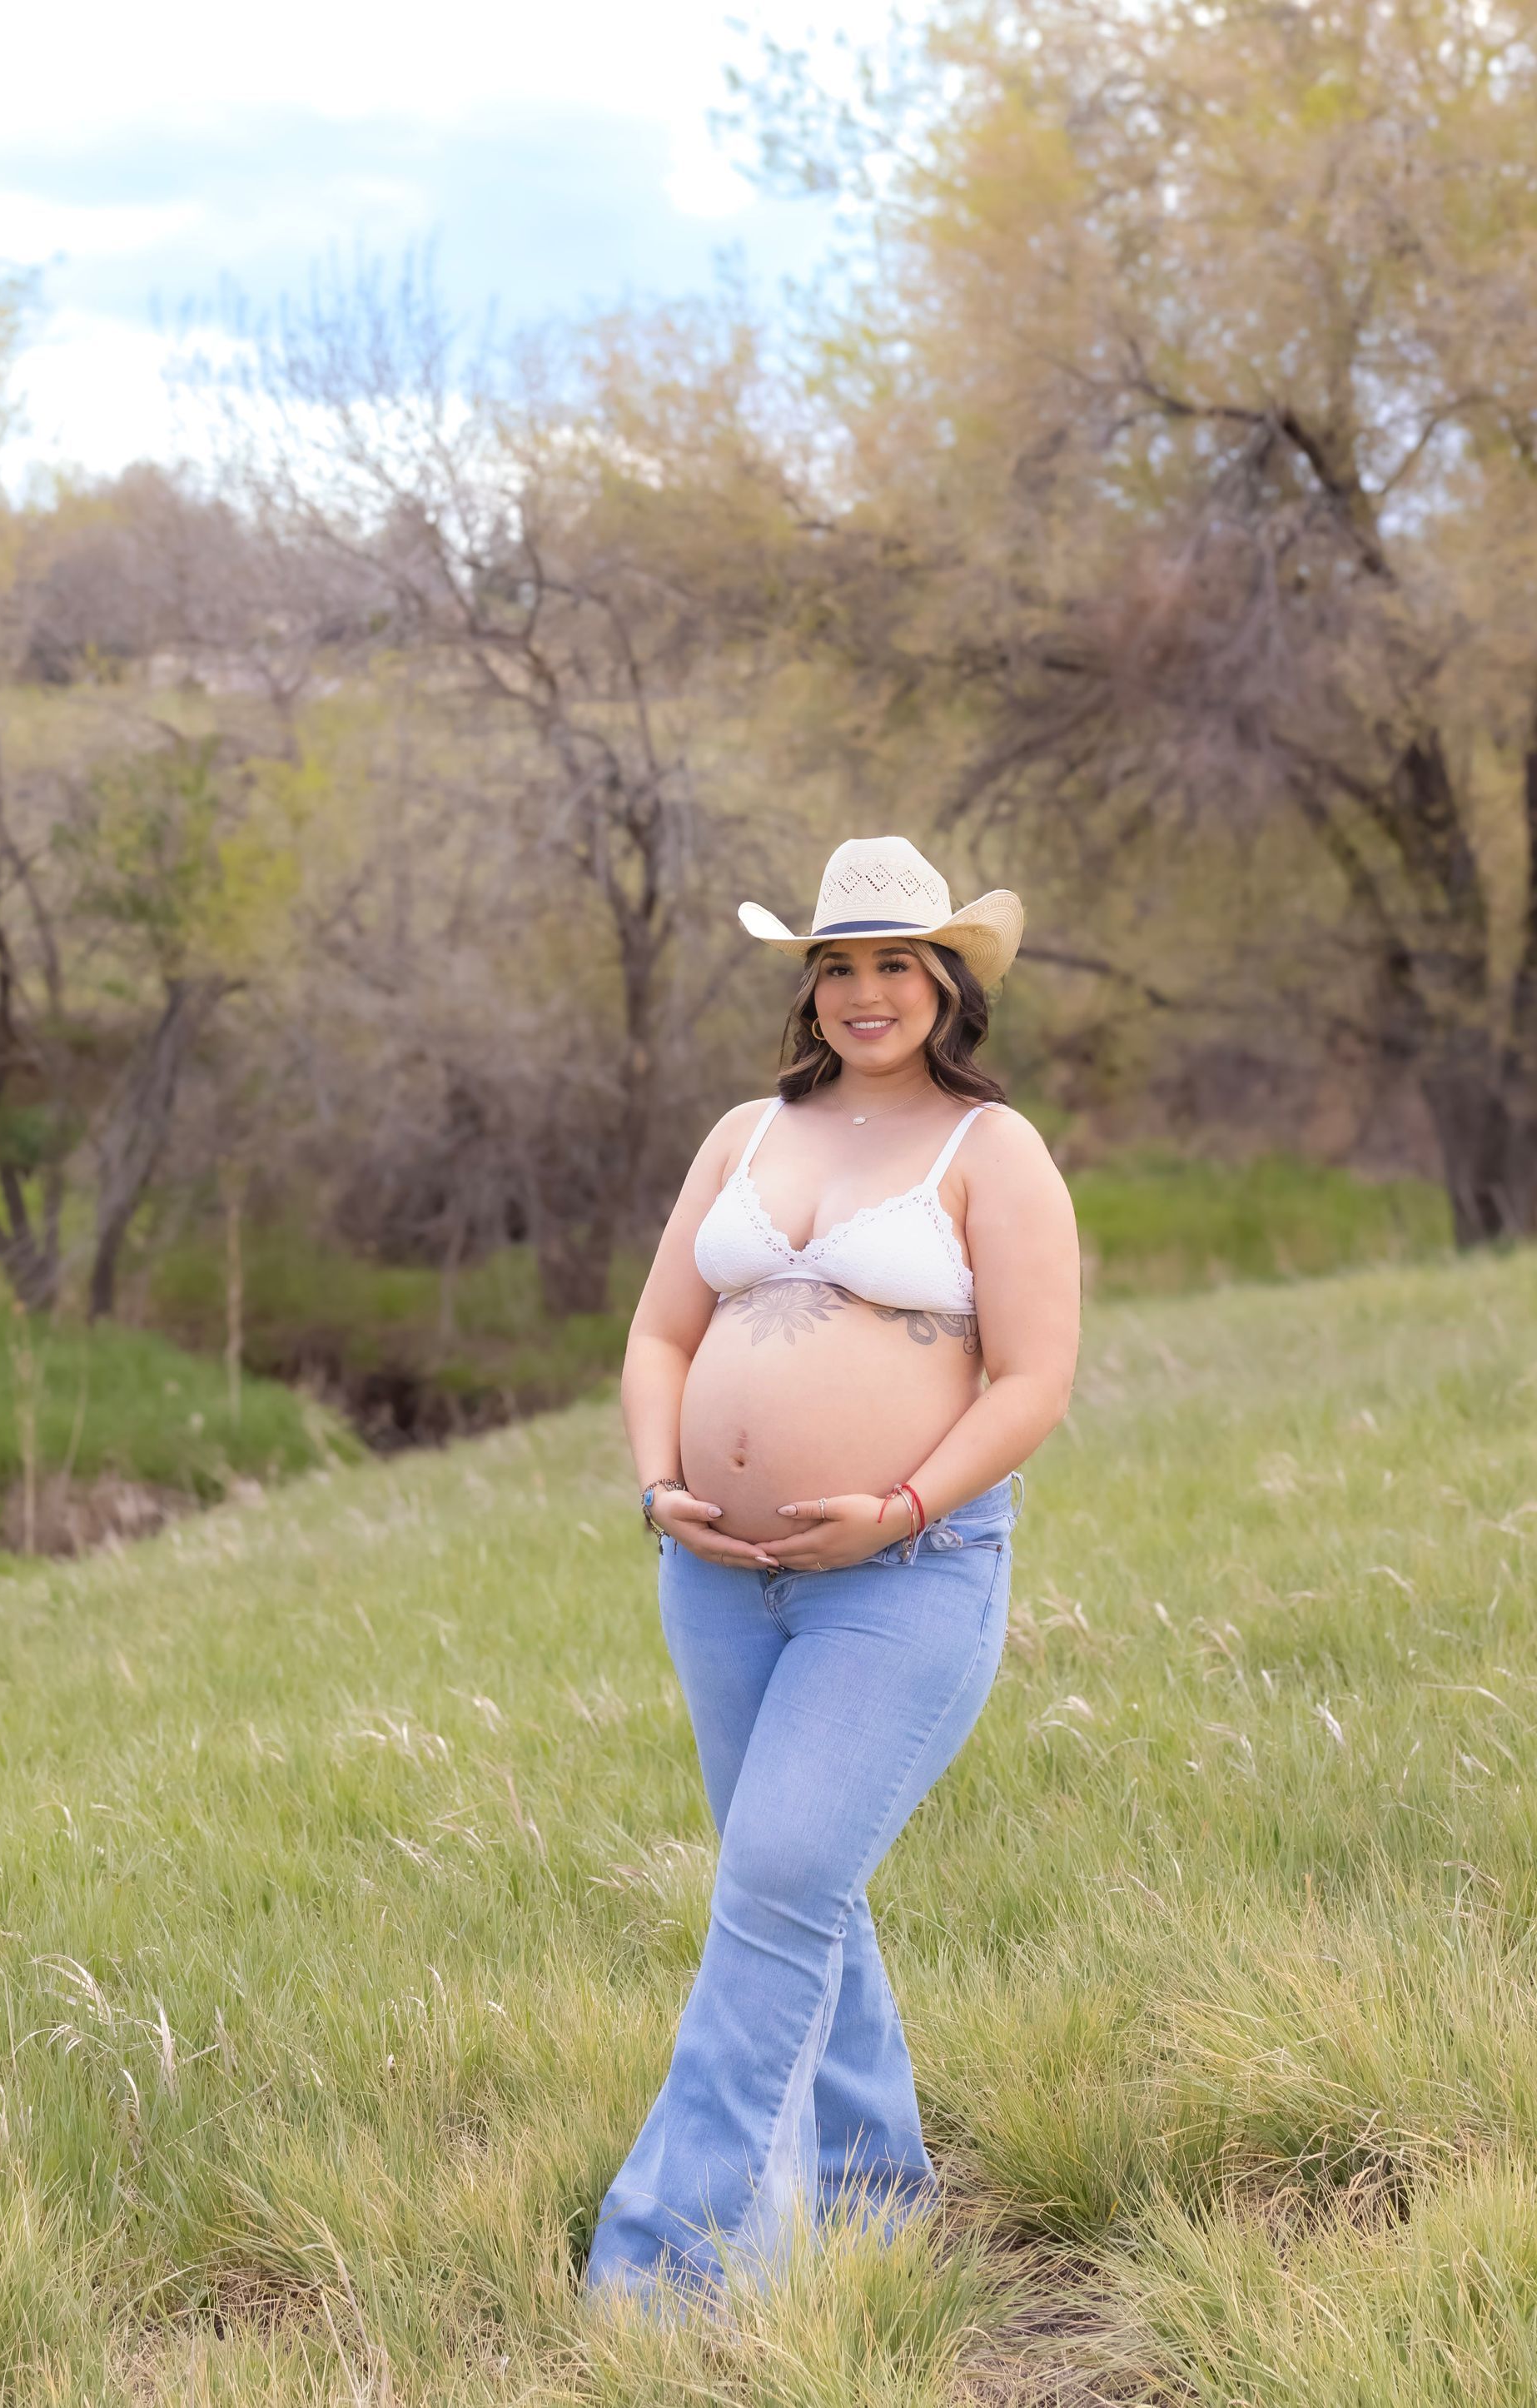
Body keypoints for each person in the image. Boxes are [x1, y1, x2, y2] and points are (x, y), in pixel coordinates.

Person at [584, 833, 1082, 2311]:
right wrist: (662, 1483)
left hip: (907, 1576)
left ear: (944, 983)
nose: (866, 993)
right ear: (811, 988)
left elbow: (1034, 1381)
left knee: (784, 1876)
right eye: (839, 967)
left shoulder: (991, 1151)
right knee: (798, 1881)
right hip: (719, 1576)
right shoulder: (746, 1132)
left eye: (893, 966)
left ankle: (672, 2270)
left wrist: (904, 1503)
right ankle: (873, 2197)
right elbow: (662, 1332)